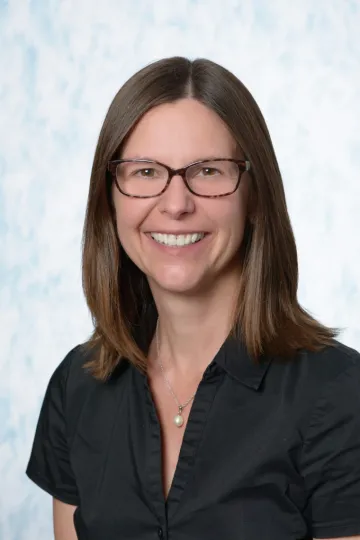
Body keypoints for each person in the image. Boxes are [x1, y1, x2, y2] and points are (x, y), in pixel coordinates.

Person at [26, 56, 360, 540]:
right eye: (144, 172)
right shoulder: (77, 390)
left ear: (256, 196)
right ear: (111, 198)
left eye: (207, 170)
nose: (176, 203)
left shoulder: (340, 397)